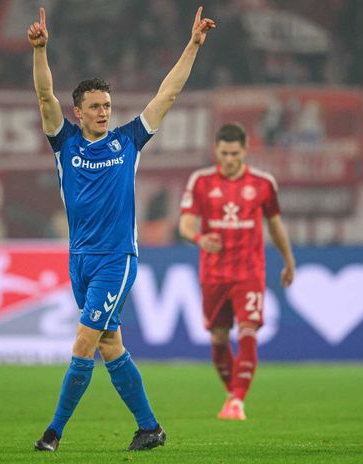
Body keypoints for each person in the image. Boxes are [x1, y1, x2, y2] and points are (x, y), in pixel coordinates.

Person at [26, 6, 216, 452]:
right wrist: (40, 51)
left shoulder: (127, 141)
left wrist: (192, 46)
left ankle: (54, 432)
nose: (104, 113)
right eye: (95, 107)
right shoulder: (65, 142)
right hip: (80, 261)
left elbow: (167, 95)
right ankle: (149, 427)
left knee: (85, 340)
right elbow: (43, 95)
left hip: (116, 259)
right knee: (110, 343)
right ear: (78, 111)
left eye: (107, 106)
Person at [178, 123, 296, 420]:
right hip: (213, 274)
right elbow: (185, 223)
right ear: (216, 151)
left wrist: (289, 260)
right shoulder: (201, 181)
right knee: (218, 339)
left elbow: (275, 224)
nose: (229, 159)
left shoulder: (263, 183)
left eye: (234, 153)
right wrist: (200, 239)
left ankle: (237, 401)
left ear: (245, 150)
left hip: (249, 273)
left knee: (247, 330)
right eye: (224, 153)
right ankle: (233, 395)